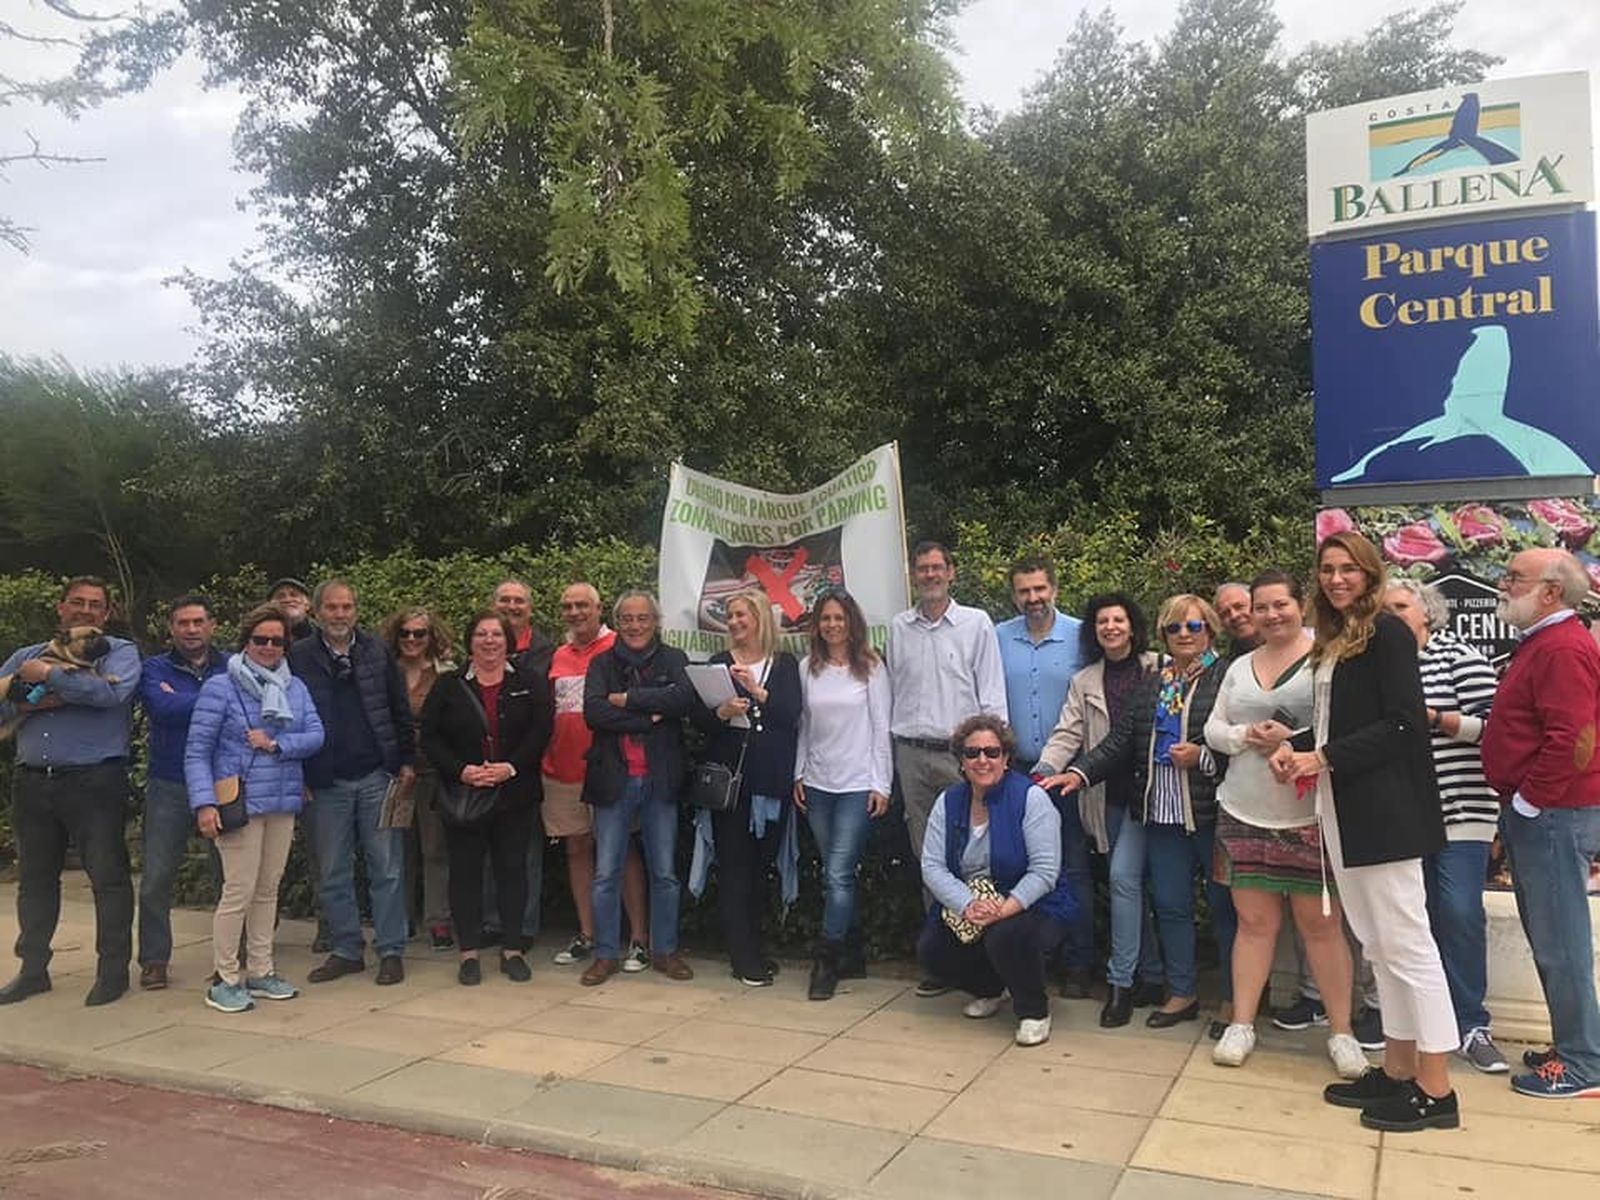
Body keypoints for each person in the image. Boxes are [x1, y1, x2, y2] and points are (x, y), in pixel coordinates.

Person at [1271, 531, 1460, 1132]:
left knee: (1407, 945)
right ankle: (1399, 1070)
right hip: (1344, 810)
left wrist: (1321, 759)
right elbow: (1337, 723)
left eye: (1348, 568)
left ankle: (1437, 1089)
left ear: (1370, 573)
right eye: (1327, 569)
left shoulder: (1387, 632)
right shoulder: (1338, 639)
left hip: (1387, 812)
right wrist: (1296, 748)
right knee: (1378, 946)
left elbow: (1404, 726)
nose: (1336, 578)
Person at [1045, 594, 1236, 1033]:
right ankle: (1182, 993)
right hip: (1161, 814)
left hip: (1211, 815)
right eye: (1174, 628)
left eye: (1193, 627)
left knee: (1226, 908)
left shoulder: (1227, 677)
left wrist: (1204, 757)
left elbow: (1240, 742)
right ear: (1163, 635)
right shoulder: (1155, 681)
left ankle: (1232, 1000)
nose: (1184, 636)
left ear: (1209, 629)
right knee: (1171, 907)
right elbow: (1120, 741)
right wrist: (1078, 772)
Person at [1203, 571, 1366, 1078]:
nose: (1272, 615)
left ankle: (1342, 1033)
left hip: (1309, 814)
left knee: (1321, 926)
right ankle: (1243, 1024)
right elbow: (1213, 726)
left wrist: (1292, 739)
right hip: (1244, 808)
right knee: (1253, 925)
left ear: (1302, 605)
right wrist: (1244, 735)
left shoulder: (1328, 655)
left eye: (1281, 605)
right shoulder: (1239, 666)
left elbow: (1348, 724)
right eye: (1262, 607)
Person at [1480, 548, 1600, 1099]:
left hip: (1552, 815)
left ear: (1551, 591)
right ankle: (1573, 1046)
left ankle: (1583, 1064)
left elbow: (1576, 738)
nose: (1503, 585)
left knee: (1561, 942)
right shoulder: (1546, 643)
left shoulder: (1563, 648)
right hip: (1542, 812)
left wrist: (1530, 802)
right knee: (1550, 937)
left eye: (1514, 578)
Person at [1384, 579, 1508, 1074]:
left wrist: (1437, 718)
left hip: (1462, 810)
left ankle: (1472, 1025)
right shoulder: (1382, 664)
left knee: (1458, 913)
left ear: (1427, 614)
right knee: (1415, 919)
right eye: (1383, 608)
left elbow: (1497, 726)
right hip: (1403, 813)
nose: (1389, 615)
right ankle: (1418, 1025)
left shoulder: (1461, 657)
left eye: (1399, 606)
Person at [0, 577, 142, 1007]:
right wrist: (28, 702)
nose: (86, 610)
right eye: (77, 603)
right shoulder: (25, 655)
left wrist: (48, 677)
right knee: (36, 881)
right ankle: (32, 969)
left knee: (108, 877)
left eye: (95, 605)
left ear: (106, 612)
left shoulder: (119, 652)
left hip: (94, 779)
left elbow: (109, 695)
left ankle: (112, 973)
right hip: (32, 778)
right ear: (61, 609)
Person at [184, 605, 325, 1013]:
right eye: (260, 639)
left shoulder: (295, 687)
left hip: (282, 799)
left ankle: (261, 969)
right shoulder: (220, 687)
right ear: (246, 641)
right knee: (238, 891)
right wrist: (204, 802)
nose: (267, 647)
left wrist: (276, 743)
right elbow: (197, 751)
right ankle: (225, 977)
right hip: (239, 801)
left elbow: (316, 734)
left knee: (268, 889)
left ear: (286, 645)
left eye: (276, 640)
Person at [1037, 593, 1165, 1024]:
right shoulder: (1085, 681)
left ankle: (1121, 984)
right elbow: (1066, 733)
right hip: (1106, 798)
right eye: (1102, 622)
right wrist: (1041, 774)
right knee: (1127, 886)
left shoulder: (1159, 668)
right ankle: (1151, 974)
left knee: (1124, 881)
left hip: (1155, 795)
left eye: (1118, 619)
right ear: (1093, 631)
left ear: (1132, 626)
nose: (1111, 627)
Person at [888, 540, 1007, 997]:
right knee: (929, 859)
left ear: (951, 573)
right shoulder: (900, 627)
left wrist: (993, 759)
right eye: (923, 569)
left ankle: (984, 958)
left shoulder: (976, 623)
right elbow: (893, 690)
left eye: (938, 568)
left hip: (964, 757)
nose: (930, 575)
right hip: (912, 754)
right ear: (914, 575)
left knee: (977, 857)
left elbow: (992, 694)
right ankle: (941, 958)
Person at [288, 578, 416, 986]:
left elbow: (399, 708)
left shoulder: (377, 650)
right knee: (334, 871)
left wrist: (407, 761)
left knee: (388, 869)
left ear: (356, 610)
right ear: (318, 611)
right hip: (324, 781)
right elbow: (286, 717)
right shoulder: (299, 657)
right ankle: (346, 950)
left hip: (377, 775)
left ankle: (391, 949)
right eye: (332, 608)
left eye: (346, 607)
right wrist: (299, 775)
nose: (340, 615)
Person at [918, 715, 1075, 1047]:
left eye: (992, 752)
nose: (982, 760)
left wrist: (1005, 908)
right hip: (973, 903)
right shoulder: (948, 802)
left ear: (1006, 758)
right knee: (932, 950)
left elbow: (1045, 870)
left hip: (1034, 904)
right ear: (961, 760)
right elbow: (932, 866)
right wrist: (968, 904)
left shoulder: (1031, 799)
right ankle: (991, 990)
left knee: (1007, 935)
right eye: (972, 753)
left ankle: (1034, 1011)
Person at [420, 612, 552, 986]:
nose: (490, 641)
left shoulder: (529, 682)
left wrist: (511, 767)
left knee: (513, 869)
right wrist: (460, 770)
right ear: (470, 641)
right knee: (465, 873)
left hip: (515, 792)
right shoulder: (448, 685)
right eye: (481, 634)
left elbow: (541, 730)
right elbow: (429, 737)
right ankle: (469, 953)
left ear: (508, 642)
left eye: (497, 634)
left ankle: (512, 950)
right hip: (466, 794)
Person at [581, 590, 696, 985]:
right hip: (614, 780)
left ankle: (665, 951)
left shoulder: (674, 660)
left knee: (664, 872)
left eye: (642, 618)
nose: (634, 625)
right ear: (618, 622)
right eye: (627, 618)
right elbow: (595, 712)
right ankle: (605, 955)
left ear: (655, 622)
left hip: (659, 780)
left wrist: (628, 699)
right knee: (605, 873)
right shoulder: (601, 663)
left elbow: (683, 698)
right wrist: (650, 717)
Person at [694, 590, 802, 987]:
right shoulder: (718, 664)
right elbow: (700, 721)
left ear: (760, 619)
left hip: (770, 784)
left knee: (760, 868)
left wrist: (757, 692)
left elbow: (791, 715)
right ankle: (743, 958)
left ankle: (755, 948)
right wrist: (720, 712)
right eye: (731, 615)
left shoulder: (785, 665)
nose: (735, 622)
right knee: (735, 869)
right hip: (732, 786)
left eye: (742, 614)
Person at [994, 556, 1087, 996]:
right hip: (1013, 774)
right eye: (1024, 591)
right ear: (1014, 595)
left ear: (1054, 589)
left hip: (1066, 774)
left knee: (1072, 866)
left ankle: (1078, 963)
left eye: (1039, 589)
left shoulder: (1080, 635)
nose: (1033, 598)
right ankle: (1030, 961)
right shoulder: (998, 637)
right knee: (1019, 869)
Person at [543, 583, 648, 970]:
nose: (575, 612)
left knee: (622, 853)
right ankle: (588, 934)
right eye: (567, 606)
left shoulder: (620, 650)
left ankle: (638, 939)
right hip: (563, 771)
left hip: (610, 770)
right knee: (578, 850)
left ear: (599, 608)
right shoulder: (558, 654)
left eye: (582, 605)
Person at [793, 589, 891, 1000]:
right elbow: (804, 726)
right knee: (837, 875)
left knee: (837, 873)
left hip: (856, 784)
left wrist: (881, 783)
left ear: (852, 622)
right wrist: (798, 772)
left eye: (839, 618)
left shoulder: (870, 667)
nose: (832, 625)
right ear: (817, 625)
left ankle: (827, 958)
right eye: (825, 619)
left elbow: (881, 727)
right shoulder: (807, 668)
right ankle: (853, 953)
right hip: (817, 784)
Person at [137, 594, 228, 990]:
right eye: (183, 623)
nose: (191, 630)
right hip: (169, 781)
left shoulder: (233, 665)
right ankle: (154, 959)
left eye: (198, 622)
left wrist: (186, 702)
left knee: (229, 875)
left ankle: (234, 954)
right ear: (171, 628)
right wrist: (216, 701)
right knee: (156, 876)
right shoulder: (154, 667)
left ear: (212, 625)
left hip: (222, 781)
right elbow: (160, 709)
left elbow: (246, 708)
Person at [382, 607, 456, 951]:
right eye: (405, 633)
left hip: (433, 772)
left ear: (431, 637)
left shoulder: (445, 674)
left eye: (419, 634)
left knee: (436, 848)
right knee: (396, 850)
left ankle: (438, 920)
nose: (412, 640)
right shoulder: (383, 671)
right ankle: (400, 917)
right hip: (393, 773)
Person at [485, 577, 553, 948]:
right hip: (485, 766)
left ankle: (523, 926)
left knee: (525, 852)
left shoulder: (546, 651)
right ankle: (493, 923)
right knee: (488, 849)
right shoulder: (480, 643)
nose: (511, 607)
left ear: (530, 608)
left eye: (519, 601)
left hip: (528, 763)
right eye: (504, 600)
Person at [1214, 583, 1259, 656]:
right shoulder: (1226, 659)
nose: (1234, 616)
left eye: (1239, 607)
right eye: (1225, 613)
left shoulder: (1281, 641)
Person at [268, 577, 318, 643]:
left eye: (294, 595)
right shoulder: (259, 632)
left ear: (307, 604)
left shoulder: (322, 635)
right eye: (280, 596)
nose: (288, 600)